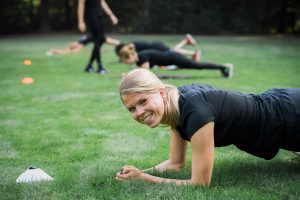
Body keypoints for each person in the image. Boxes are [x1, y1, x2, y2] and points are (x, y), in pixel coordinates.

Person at [115, 68, 300, 186]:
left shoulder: (195, 113)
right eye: (132, 108)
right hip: (280, 110)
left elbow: (200, 183)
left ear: (161, 92)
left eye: (143, 100)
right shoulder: (174, 107)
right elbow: (175, 163)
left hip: (290, 116)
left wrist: (144, 179)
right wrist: (137, 174)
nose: (139, 112)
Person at [78, 0, 118, 74]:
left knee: (101, 39)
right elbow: (81, 4)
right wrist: (80, 21)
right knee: (98, 39)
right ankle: (99, 67)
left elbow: (102, 2)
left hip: (98, 14)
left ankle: (90, 65)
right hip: (91, 15)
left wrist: (111, 15)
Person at [115, 34, 201, 62]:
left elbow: (131, 53)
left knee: (173, 51)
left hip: (156, 46)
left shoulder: (131, 45)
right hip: (155, 46)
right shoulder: (131, 46)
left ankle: (193, 53)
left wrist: (124, 57)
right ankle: (186, 40)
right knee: (172, 50)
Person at [46, 34, 120, 56]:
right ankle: (54, 51)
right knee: (72, 51)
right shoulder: (81, 42)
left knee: (71, 50)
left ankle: (54, 51)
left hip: (90, 37)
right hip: (87, 38)